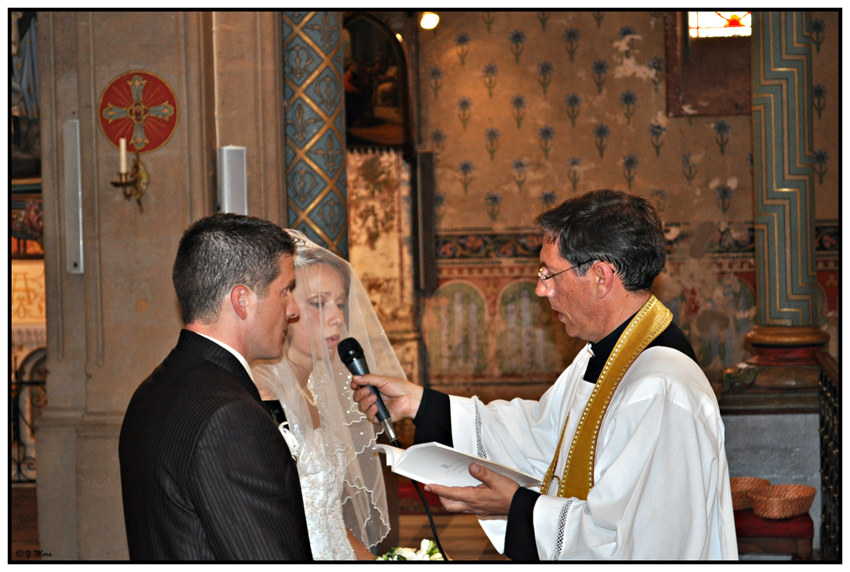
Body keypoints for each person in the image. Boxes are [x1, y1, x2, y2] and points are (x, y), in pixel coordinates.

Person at [352, 190, 738, 560]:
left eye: (550, 274)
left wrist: (516, 507)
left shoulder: (661, 390)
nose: (540, 289)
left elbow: (636, 543)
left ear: (601, 277)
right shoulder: (605, 355)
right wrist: (419, 404)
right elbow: (542, 436)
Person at [119, 213, 313, 560]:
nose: (293, 309)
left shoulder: (151, 389)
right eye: (285, 291)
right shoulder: (231, 417)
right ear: (242, 300)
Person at [253, 231, 395, 560]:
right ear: (285, 307)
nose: (338, 318)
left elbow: (327, 517)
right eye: (319, 303)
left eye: (340, 304)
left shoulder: (317, 391)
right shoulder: (264, 395)